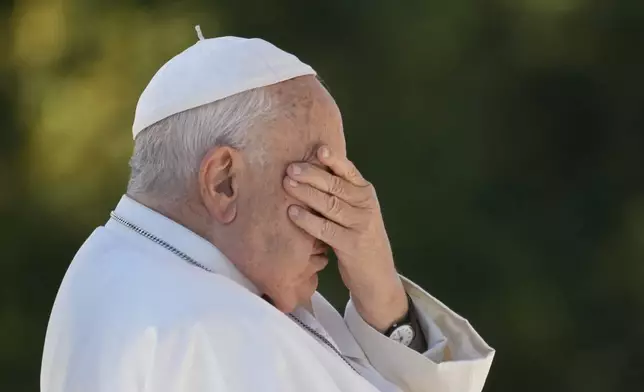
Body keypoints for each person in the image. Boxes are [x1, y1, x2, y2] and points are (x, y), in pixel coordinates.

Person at [41, 29, 494, 392]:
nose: (341, 226)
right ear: (224, 182)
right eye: (321, 179)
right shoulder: (200, 330)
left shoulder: (153, 270)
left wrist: (386, 302)